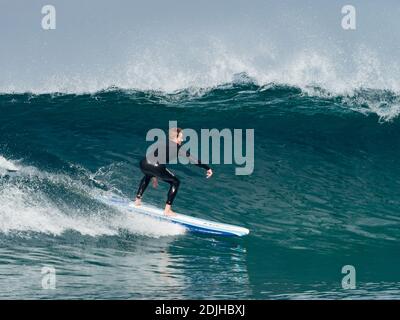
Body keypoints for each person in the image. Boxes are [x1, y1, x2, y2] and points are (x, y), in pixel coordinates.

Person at [134, 127, 213, 216]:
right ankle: (167, 210)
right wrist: (207, 168)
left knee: (148, 175)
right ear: (176, 137)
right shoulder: (178, 149)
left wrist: (154, 175)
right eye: (181, 137)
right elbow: (194, 160)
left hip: (144, 163)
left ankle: (137, 200)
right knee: (176, 181)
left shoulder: (163, 142)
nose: (182, 139)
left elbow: (154, 158)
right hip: (156, 166)